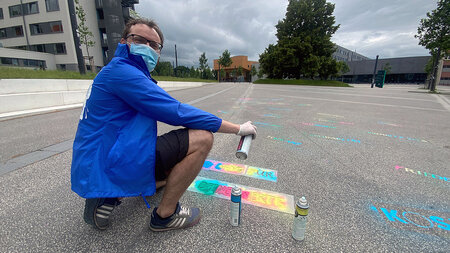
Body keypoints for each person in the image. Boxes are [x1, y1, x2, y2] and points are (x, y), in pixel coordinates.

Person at [70, 18, 257, 232]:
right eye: (140, 40)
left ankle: (114, 193)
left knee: (172, 172)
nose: (148, 48)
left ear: (159, 52)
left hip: (105, 155)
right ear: (124, 41)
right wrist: (237, 128)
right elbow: (178, 112)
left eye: (154, 45)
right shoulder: (125, 74)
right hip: (109, 160)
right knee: (203, 138)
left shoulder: (117, 70)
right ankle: (164, 216)